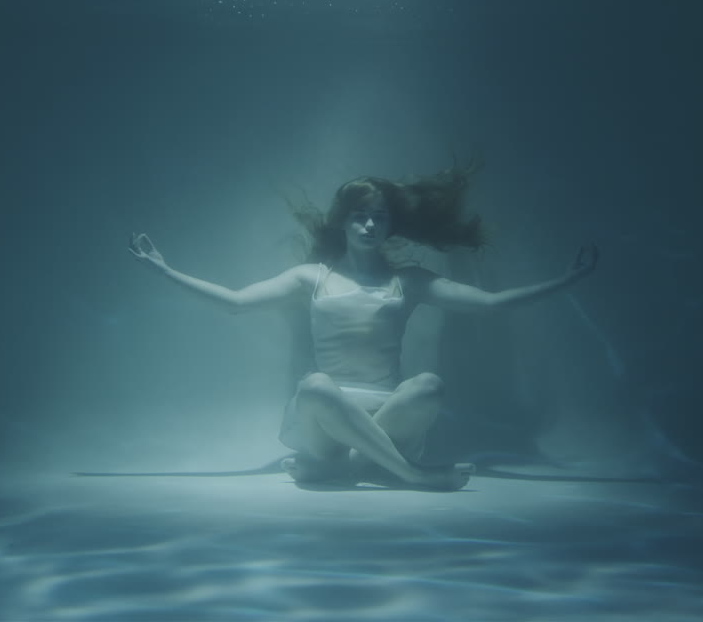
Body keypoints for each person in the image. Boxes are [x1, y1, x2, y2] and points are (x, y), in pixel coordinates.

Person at [129, 166, 597, 490]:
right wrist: (164, 271)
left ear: (391, 225)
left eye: (379, 216)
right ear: (344, 222)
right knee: (313, 385)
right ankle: (409, 475)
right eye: (360, 215)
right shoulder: (311, 277)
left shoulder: (408, 281)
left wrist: (568, 280)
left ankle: (342, 470)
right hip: (325, 416)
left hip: (389, 415)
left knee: (429, 385)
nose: (370, 224)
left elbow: (490, 305)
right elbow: (235, 303)